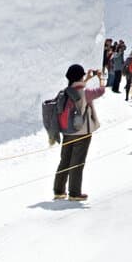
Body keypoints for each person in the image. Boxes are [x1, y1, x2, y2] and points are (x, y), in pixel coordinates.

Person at [53, 65, 105, 201]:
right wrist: (101, 78)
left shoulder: (65, 92)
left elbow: (78, 89)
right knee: (77, 163)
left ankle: (58, 191)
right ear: (80, 77)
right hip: (82, 133)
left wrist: (87, 78)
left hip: (67, 131)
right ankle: (74, 193)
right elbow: (100, 91)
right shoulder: (85, 92)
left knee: (64, 161)